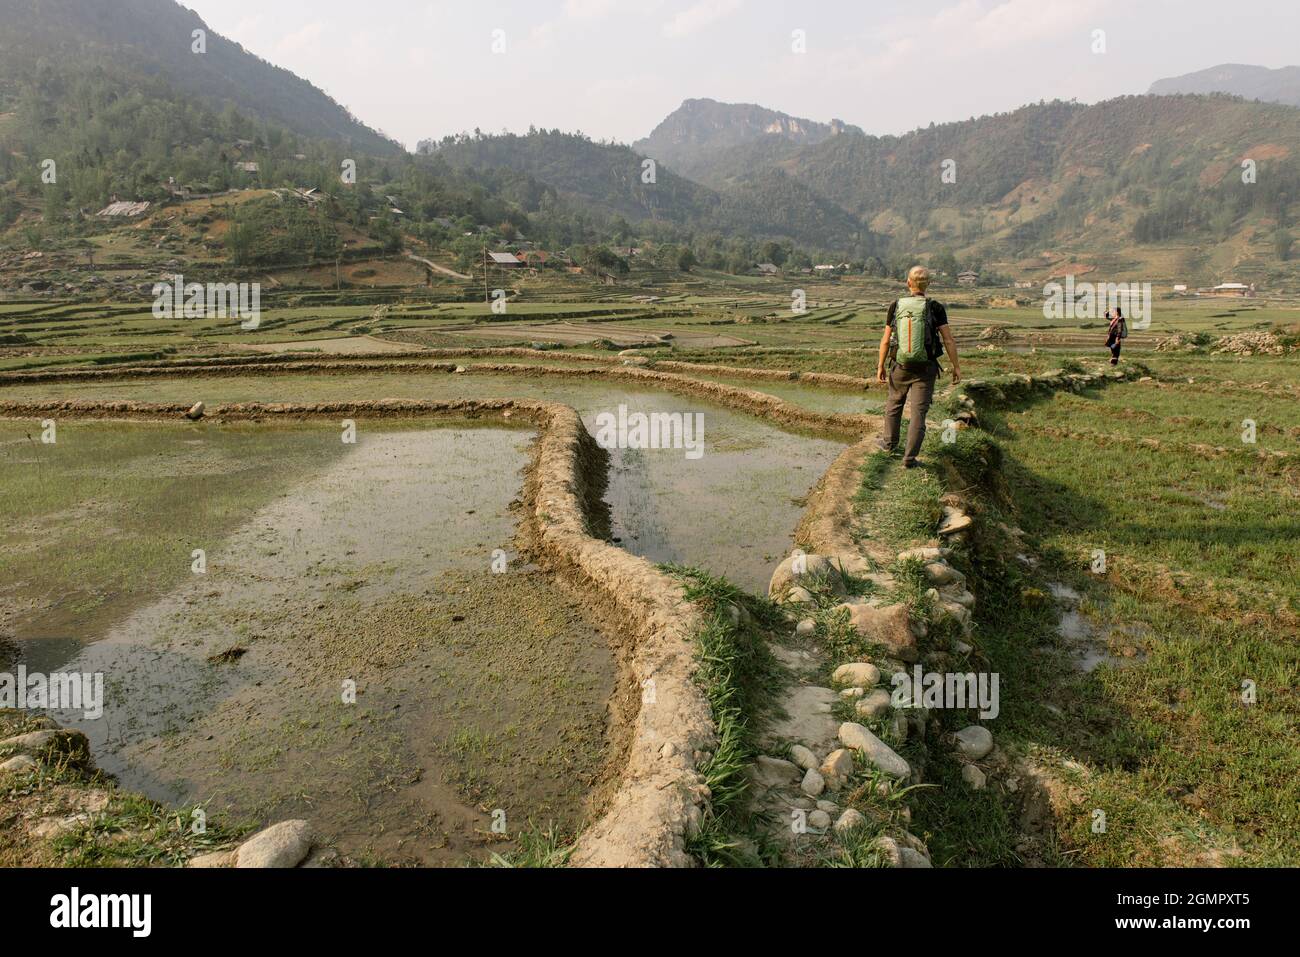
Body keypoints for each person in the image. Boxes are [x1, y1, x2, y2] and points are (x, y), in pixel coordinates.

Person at [875, 265, 962, 468]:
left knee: (894, 404)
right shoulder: (935, 307)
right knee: (918, 413)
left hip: (900, 366)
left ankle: (889, 445)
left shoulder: (896, 305)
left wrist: (880, 365)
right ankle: (909, 459)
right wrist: (956, 367)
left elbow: (886, 340)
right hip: (925, 368)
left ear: (908, 283)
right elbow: (948, 340)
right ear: (928, 284)